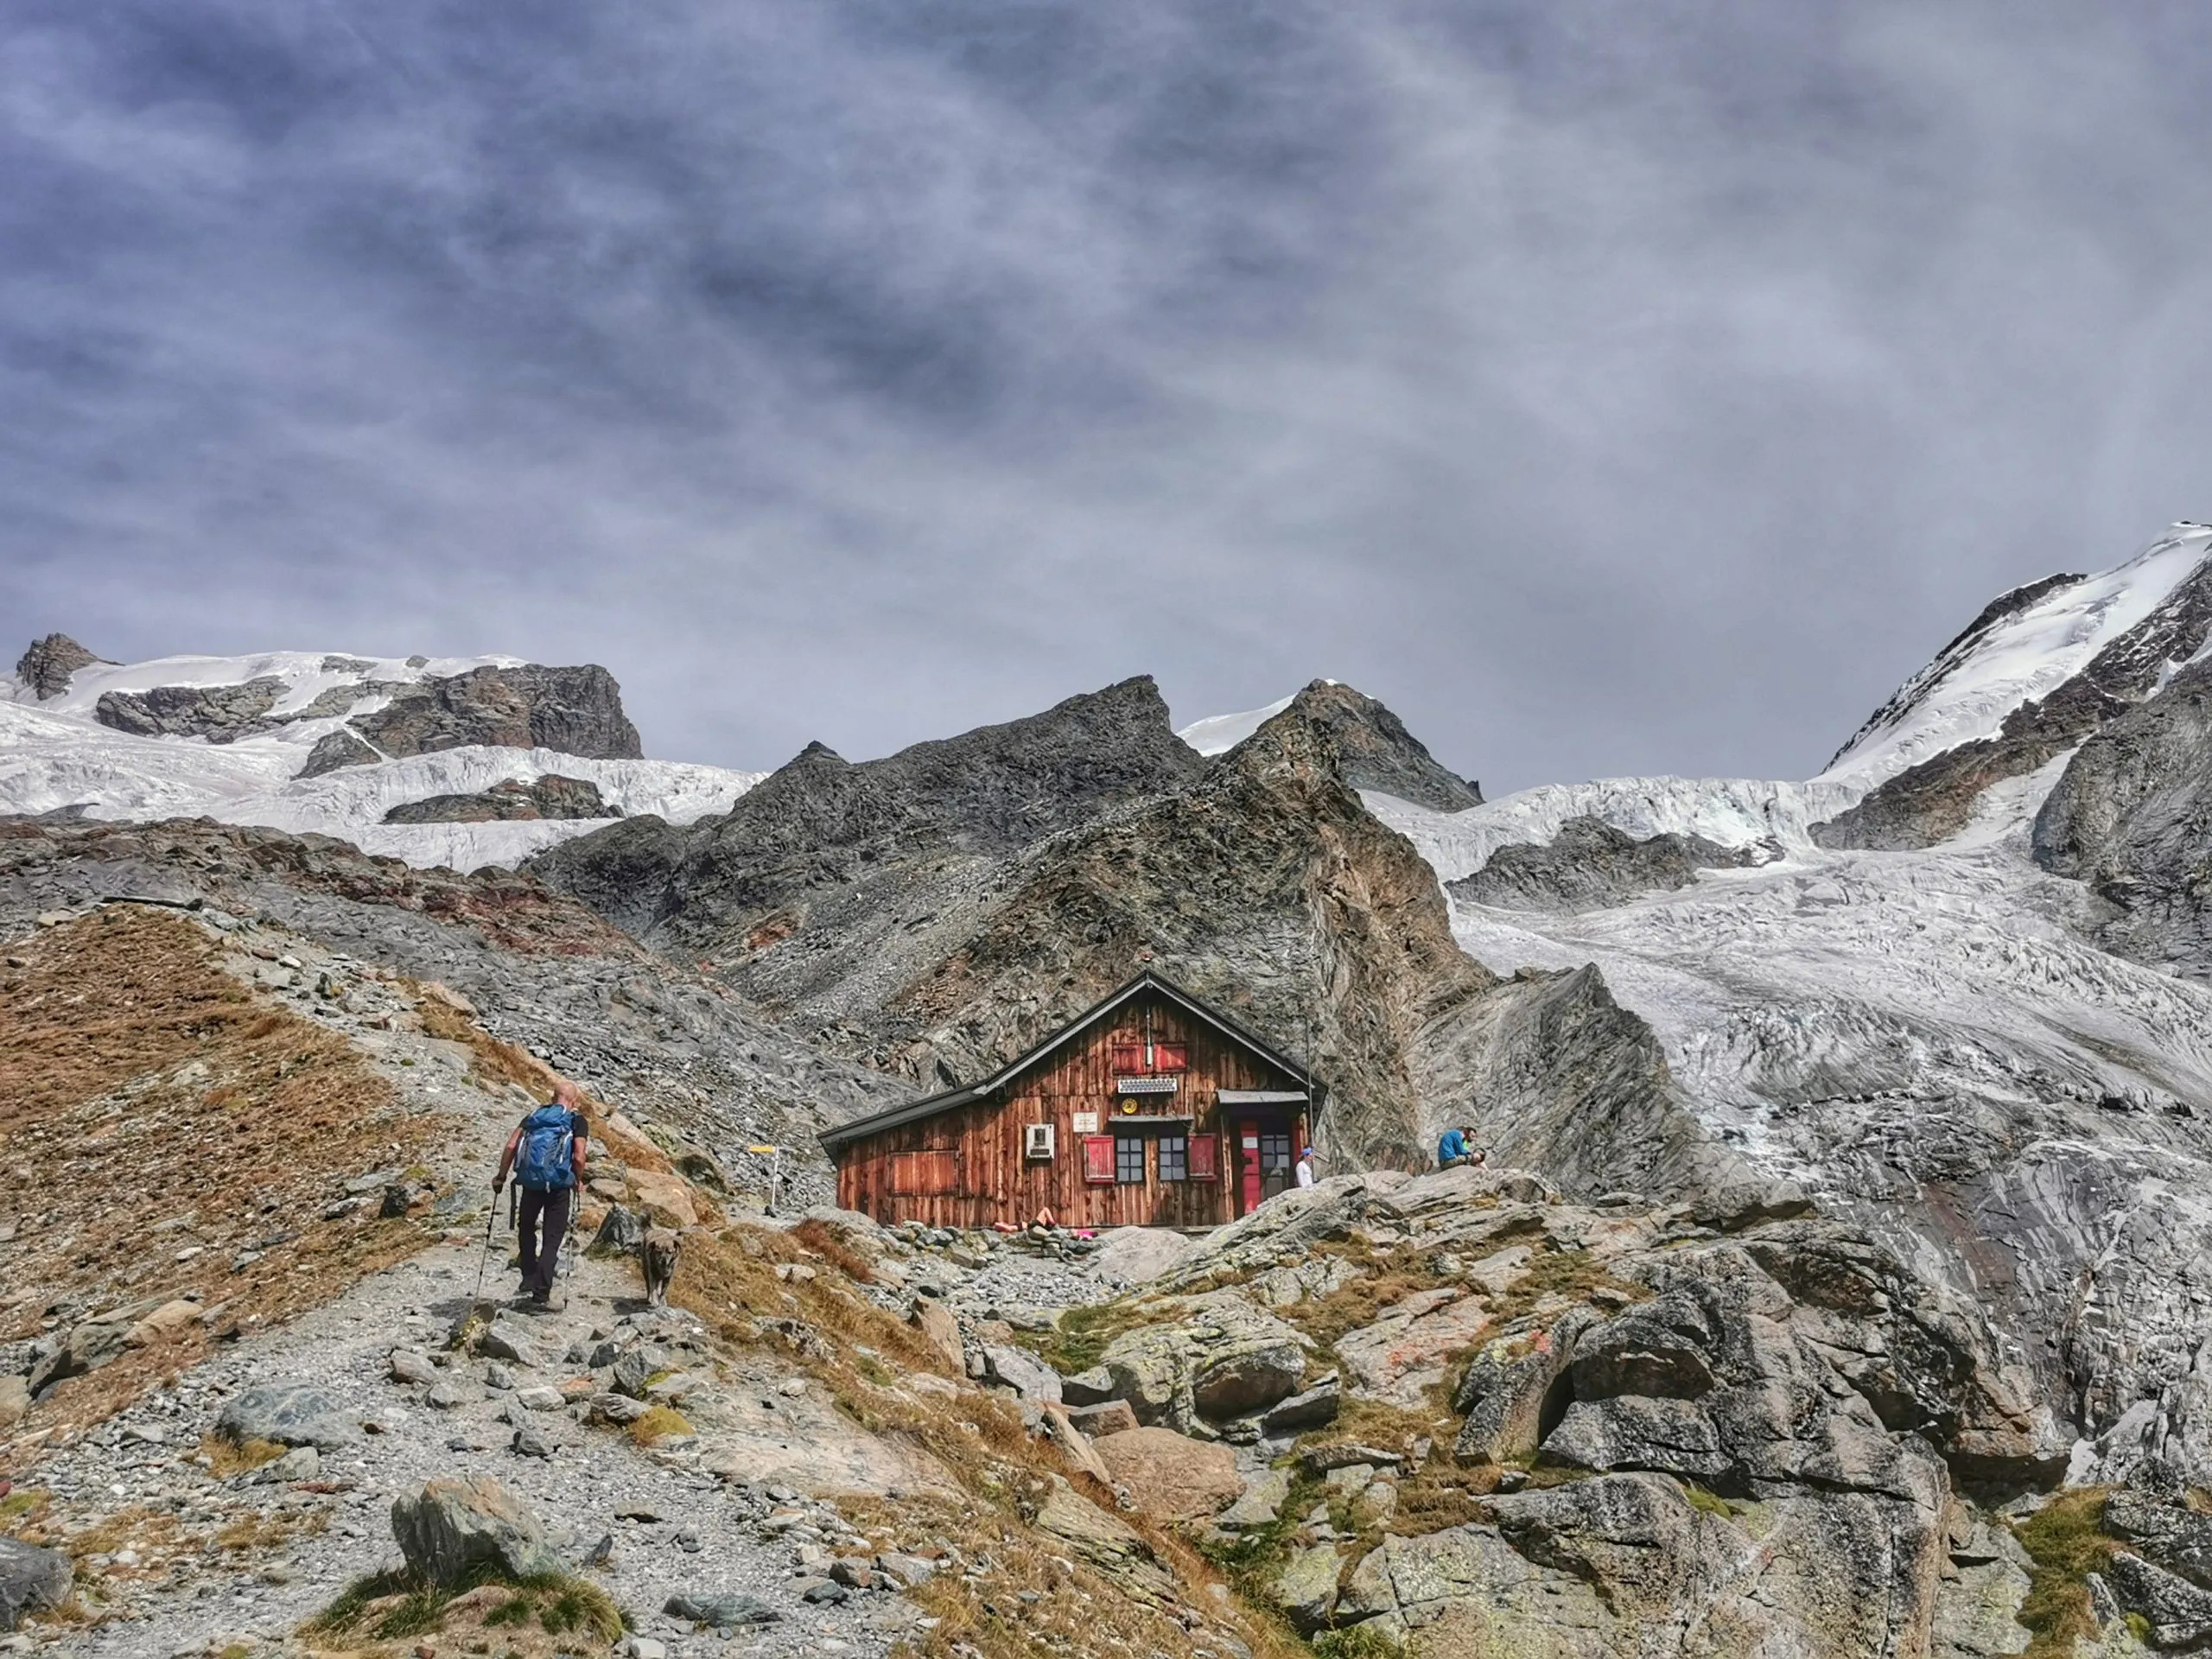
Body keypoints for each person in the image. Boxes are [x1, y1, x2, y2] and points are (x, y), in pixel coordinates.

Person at [495, 1079, 590, 1308]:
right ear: (574, 1101)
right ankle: (540, 1296)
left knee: (526, 1228)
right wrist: (578, 1181)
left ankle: (528, 1277)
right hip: (558, 1186)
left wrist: (501, 1176)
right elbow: (578, 1156)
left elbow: (510, 1146)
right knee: (552, 1238)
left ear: (552, 1097)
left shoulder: (534, 1116)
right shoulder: (576, 1120)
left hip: (531, 1183)